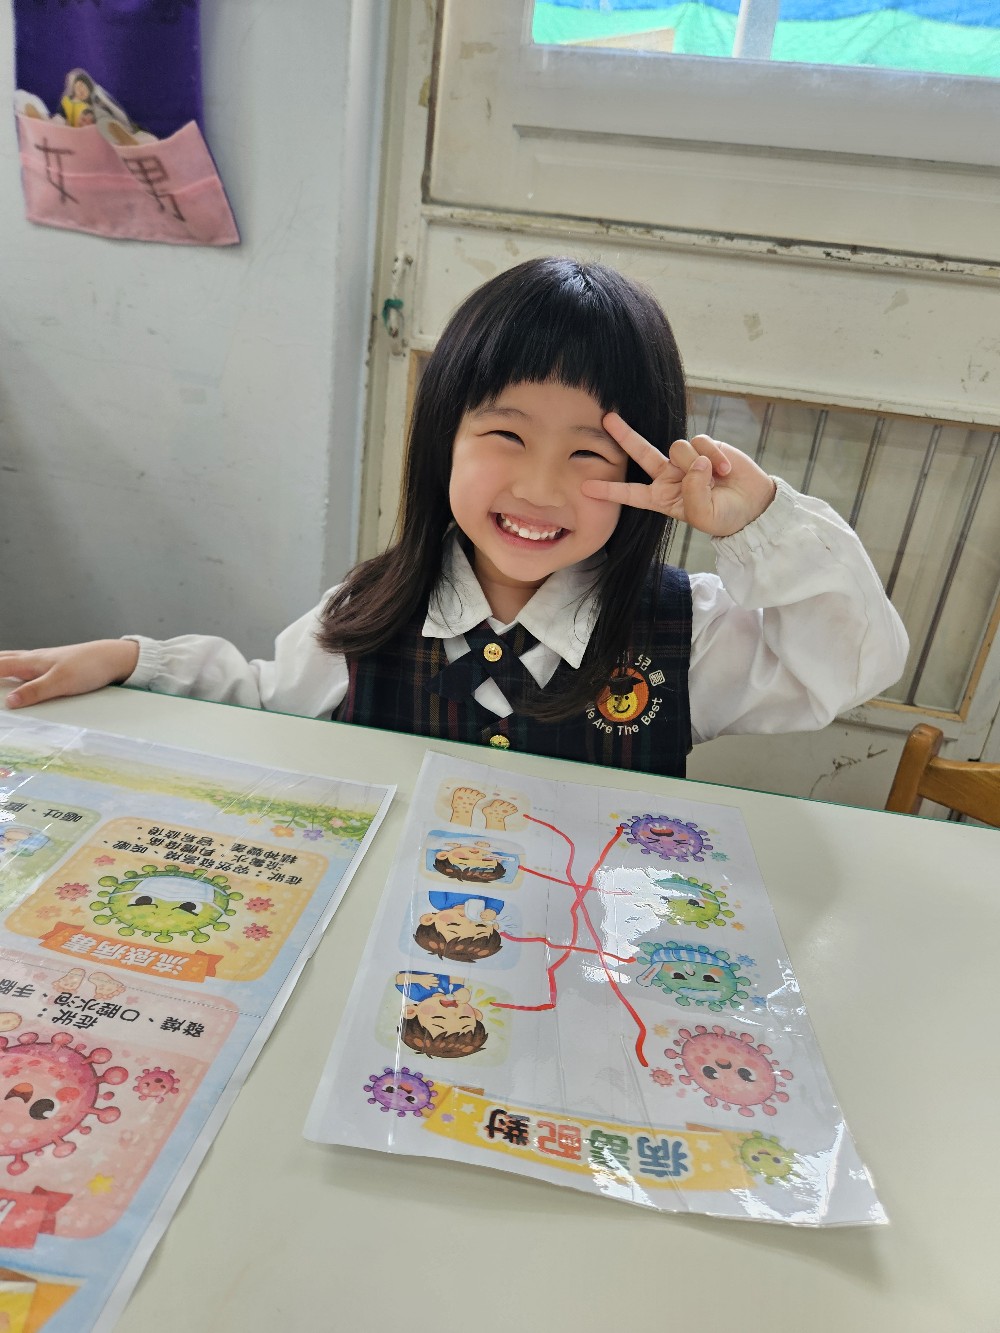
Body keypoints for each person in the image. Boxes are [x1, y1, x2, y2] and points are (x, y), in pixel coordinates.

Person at [0, 258, 908, 776]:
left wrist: (759, 523)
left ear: (644, 470)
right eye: (506, 435)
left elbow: (852, 664)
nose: (540, 486)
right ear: (444, 438)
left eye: (589, 453)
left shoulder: (685, 632)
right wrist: (133, 660)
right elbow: (263, 701)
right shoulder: (373, 608)